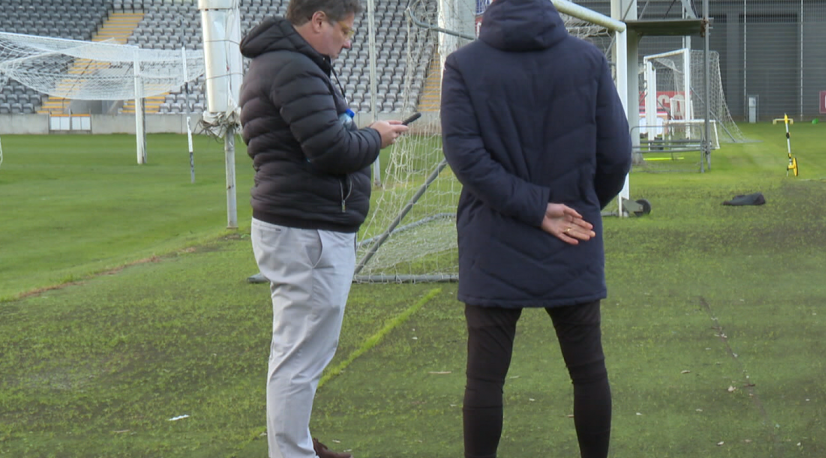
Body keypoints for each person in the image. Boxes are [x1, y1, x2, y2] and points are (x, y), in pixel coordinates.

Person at [440, 0, 632, 456]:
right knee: (588, 371)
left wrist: (537, 209)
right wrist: (572, 209)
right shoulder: (587, 60)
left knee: (484, 378)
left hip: (493, 237)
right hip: (573, 233)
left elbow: (465, 157)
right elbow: (617, 155)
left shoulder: (463, 65)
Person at [238, 0, 410, 457]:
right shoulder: (293, 68)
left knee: (296, 351)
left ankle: (295, 444)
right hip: (306, 230)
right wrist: (375, 136)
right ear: (318, 21)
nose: (349, 41)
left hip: (299, 225)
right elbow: (331, 150)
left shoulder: (283, 64)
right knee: (300, 357)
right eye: (345, 30)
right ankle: (292, 452)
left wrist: (365, 134)